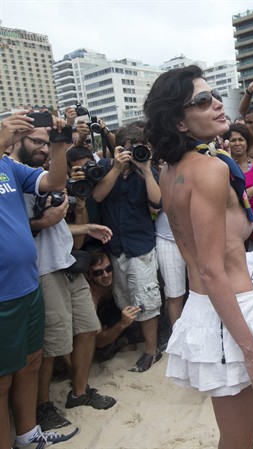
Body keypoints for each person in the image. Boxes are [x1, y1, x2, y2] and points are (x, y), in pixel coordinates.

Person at [144, 64, 253, 449]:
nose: (218, 104)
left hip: (217, 306)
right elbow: (210, 270)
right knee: (238, 439)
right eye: (203, 101)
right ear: (178, 120)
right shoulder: (208, 170)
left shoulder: (171, 170)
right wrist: (251, 352)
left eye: (215, 95)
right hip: (227, 308)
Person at [10, 128, 116, 432]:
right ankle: (42, 407)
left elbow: (55, 225)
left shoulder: (42, 176)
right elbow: (19, 227)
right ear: (16, 140)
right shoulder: (14, 179)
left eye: (47, 143)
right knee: (51, 345)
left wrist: (85, 228)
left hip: (66, 263)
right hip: (43, 269)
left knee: (87, 328)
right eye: (36, 142)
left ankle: (78, 393)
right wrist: (46, 221)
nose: (44, 148)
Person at [0, 111, 80, 449]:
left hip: (27, 284)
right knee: (2, 380)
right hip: (2, 296)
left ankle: (29, 436)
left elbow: (54, 183)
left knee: (31, 362)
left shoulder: (8, 167)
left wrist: (59, 143)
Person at [92, 124, 163, 373]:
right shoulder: (104, 167)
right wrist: (116, 168)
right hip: (115, 246)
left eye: (137, 146)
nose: (133, 151)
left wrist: (145, 170)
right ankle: (136, 339)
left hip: (140, 246)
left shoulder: (147, 168)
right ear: (119, 147)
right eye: (128, 146)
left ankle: (151, 351)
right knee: (124, 297)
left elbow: (157, 201)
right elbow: (98, 196)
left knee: (147, 299)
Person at [85, 247, 143, 361]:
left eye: (109, 268)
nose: (106, 275)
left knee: (129, 349)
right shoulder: (89, 299)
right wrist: (122, 323)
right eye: (98, 272)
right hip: (99, 345)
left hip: (115, 323)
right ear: (87, 276)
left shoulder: (116, 282)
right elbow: (99, 342)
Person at [224, 124, 253, 222]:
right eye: (233, 140)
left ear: (247, 142)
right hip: (234, 220)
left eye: (241, 140)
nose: (237, 143)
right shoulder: (224, 167)